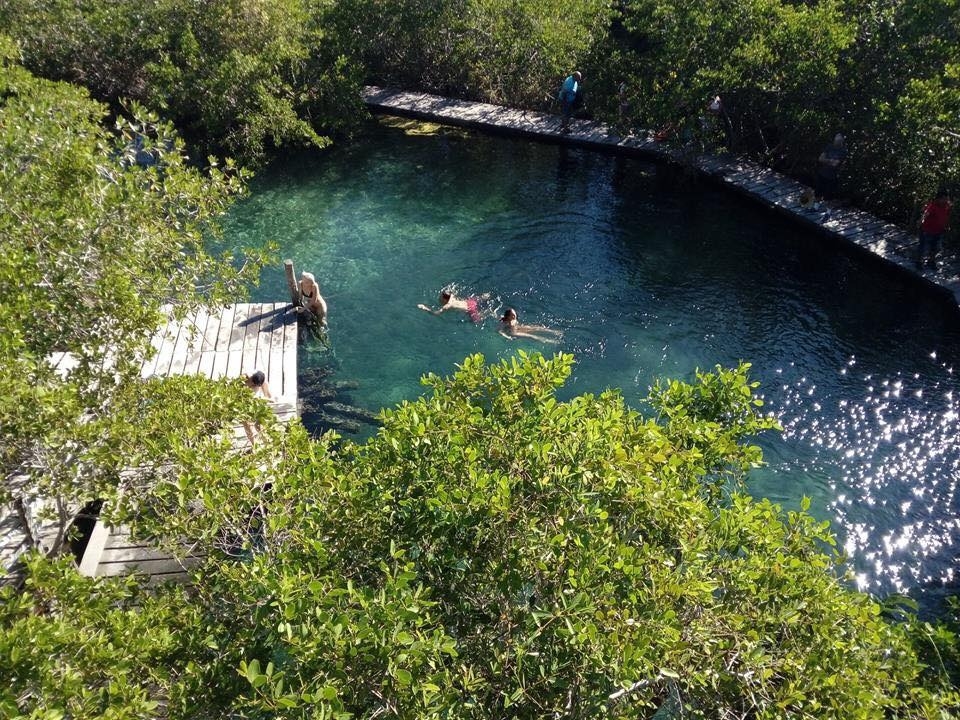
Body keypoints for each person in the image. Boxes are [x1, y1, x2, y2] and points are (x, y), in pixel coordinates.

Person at [917, 189, 952, 267]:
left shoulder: (947, 206)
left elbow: (946, 216)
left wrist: (947, 225)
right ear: (938, 199)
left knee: (936, 248)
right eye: (944, 199)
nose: (946, 200)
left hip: (938, 231)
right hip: (927, 230)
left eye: (947, 199)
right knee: (923, 247)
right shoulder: (932, 205)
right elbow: (925, 214)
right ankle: (919, 262)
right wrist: (921, 220)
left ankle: (931, 261)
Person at [417, 289, 491, 322]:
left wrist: (424, 308)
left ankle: (489, 312)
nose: (440, 297)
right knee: (477, 299)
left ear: (445, 300)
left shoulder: (447, 306)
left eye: (441, 297)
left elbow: (436, 313)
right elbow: (452, 292)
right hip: (469, 302)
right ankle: (484, 297)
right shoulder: (451, 296)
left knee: (477, 320)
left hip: (470, 309)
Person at [497, 307, 562, 344]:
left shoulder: (513, 320)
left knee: (534, 328)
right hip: (512, 333)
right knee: (531, 336)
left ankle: (554, 332)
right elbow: (499, 331)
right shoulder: (504, 323)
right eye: (513, 315)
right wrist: (507, 337)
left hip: (516, 328)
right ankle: (550, 341)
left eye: (515, 314)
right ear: (508, 316)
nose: (515, 315)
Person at [815, 133, 847, 205]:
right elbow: (820, 158)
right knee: (818, 192)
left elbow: (835, 164)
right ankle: (815, 207)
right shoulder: (829, 146)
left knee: (829, 197)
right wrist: (830, 160)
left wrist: (826, 160)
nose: (837, 139)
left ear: (842, 140)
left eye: (839, 137)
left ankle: (828, 213)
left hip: (832, 176)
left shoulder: (843, 151)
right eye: (836, 137)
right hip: (822, 172)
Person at [242, 370, 272, 445]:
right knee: (248, 426)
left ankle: (267, 444)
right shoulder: (244, 378)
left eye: (256, 386)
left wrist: (268, 400)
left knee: (260, 425)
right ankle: (254, 445)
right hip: (243, 404)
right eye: (253, 384)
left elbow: (268, 396)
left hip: (256, 403)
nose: (254, 386)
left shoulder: (262, 379)